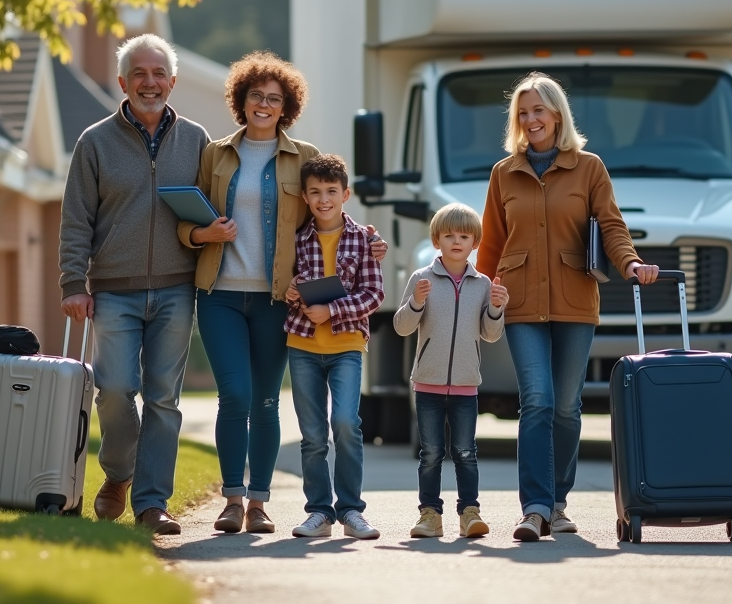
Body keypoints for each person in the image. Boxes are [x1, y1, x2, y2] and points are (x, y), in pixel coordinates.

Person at [182, 52, 388, 535]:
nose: (264, 104)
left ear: (286, 106)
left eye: (274, 98)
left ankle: (259, 503)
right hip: (220, 293)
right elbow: (187, 219)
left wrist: (367, 240)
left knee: (266, 402)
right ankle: (232, 499)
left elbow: (328, 210)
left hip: (279, 299)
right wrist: (202, 235)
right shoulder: (215, 154)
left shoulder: (303, 154)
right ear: (241, 99)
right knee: (234, 395)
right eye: (256, 95)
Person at [476, 71, 659, 542]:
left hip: (575, 300)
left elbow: (611, 227)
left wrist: (631, 263)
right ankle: (534, 509)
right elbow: (491, 244)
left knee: (565, 407)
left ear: (557, 115)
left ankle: (557, 502)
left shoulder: (589, 168)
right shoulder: (503, 173)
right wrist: (475, 295)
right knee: (536, 400)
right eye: (523, 112)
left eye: (538, 110)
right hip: (520, 302)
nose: (530, 119)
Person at [59, 34, 209, 535]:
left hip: (176, 288)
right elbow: (76, 219)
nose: (150, 82)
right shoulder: (94, 141)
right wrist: (72, 283)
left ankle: (152, 504)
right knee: (116, 390)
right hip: (113, 290)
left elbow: (216, 211)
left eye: (158, 73)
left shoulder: (196, 140)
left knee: (163, 398)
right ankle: (119, 473)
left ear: (172, 81)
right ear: (123, 83)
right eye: (139, 74)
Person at [283, 154, 385, 540]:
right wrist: (292, 292)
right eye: (315, 192)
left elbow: (374, 293)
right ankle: (319, 512)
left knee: (345, 423)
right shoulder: (296, 239)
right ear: (305, 197)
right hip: (303, 345)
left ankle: (351, 510)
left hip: (347, 345)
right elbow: (289, 287)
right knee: (312, 435)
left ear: (346, 194)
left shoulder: (364, 240)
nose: (323, 199)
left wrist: (333, 310)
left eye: (330, 191)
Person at [393, 203, 509, 539]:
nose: (456, 241)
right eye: (449, 235)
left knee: (465, 453)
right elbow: (401, 326)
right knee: (430, 454)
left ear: (475, 243)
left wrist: (496, 308)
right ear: (436, 241)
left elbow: (490, 334)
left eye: (464, 236)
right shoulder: (421, 279)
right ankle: (429, 514)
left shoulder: (482, 284)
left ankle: (470, 513)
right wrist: (416, 302)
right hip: (427, 385)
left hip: (465, 386)